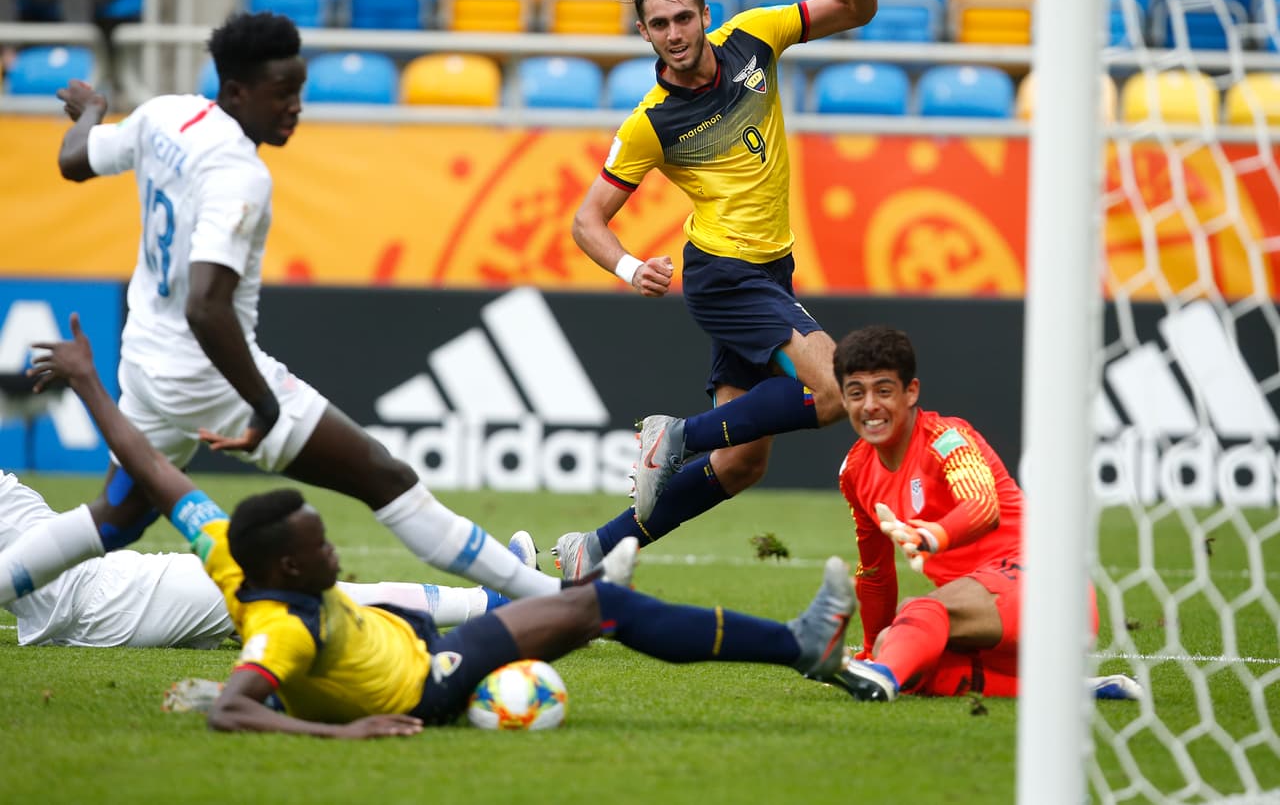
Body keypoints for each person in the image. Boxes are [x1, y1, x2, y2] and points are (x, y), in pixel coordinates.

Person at [27, 315, 860, 736]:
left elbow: (157, 468)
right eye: (317, 546)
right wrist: (344, 729)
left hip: (403, 633)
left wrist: (91, 385)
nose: (332, 547)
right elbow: (234, 712)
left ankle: (583, 596)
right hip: (425, 679)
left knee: (553, 602)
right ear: (282, 568)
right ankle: (801, 644)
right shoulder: (278, 628)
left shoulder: (225, 545)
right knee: (595, 607)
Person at [0, 10, 571, 613]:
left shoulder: (163, 116)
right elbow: (206, 306)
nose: (296, 106)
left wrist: (91, 110)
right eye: (282, 94)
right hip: (207, 376)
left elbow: (72, 159)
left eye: (299, 90)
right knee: (384, 477)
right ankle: (558, 601)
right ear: (237, 91)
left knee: (117, 516)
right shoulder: (238, 173)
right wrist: (264, 406)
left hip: (145, 362)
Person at [552, 0, 876, 578]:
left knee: (741, 460)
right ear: (642, 31)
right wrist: (630, 265)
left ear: (706, 14)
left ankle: (596, 549)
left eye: (683, 18)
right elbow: (587, 220)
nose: (673, 34)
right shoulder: (650, 123)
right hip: (725, 275)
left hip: (772, 269)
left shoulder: (756, 38)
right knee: (845, 388)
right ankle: (673, 437)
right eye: (658, 24)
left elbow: (855, 11)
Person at [823, 325, 1138, 702]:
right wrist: (872, 650)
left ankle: (881, 679)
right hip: (988, 626)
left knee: (919, 609)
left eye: (884, 390)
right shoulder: (855, 471)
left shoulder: (947, 438)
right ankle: (1073, 692)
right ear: (843, 400)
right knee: (898, 643)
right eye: (856, 393)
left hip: (1048, 590)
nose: (870, 405)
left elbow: (982, 506)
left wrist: (931, 536)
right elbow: (876, 573)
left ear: (911, 392)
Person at [0, 469, 533, 647]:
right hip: (102, 599)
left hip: (105, 587)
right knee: (314, 598)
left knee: (295, 613)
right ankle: (489, 603)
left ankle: (488, 603)